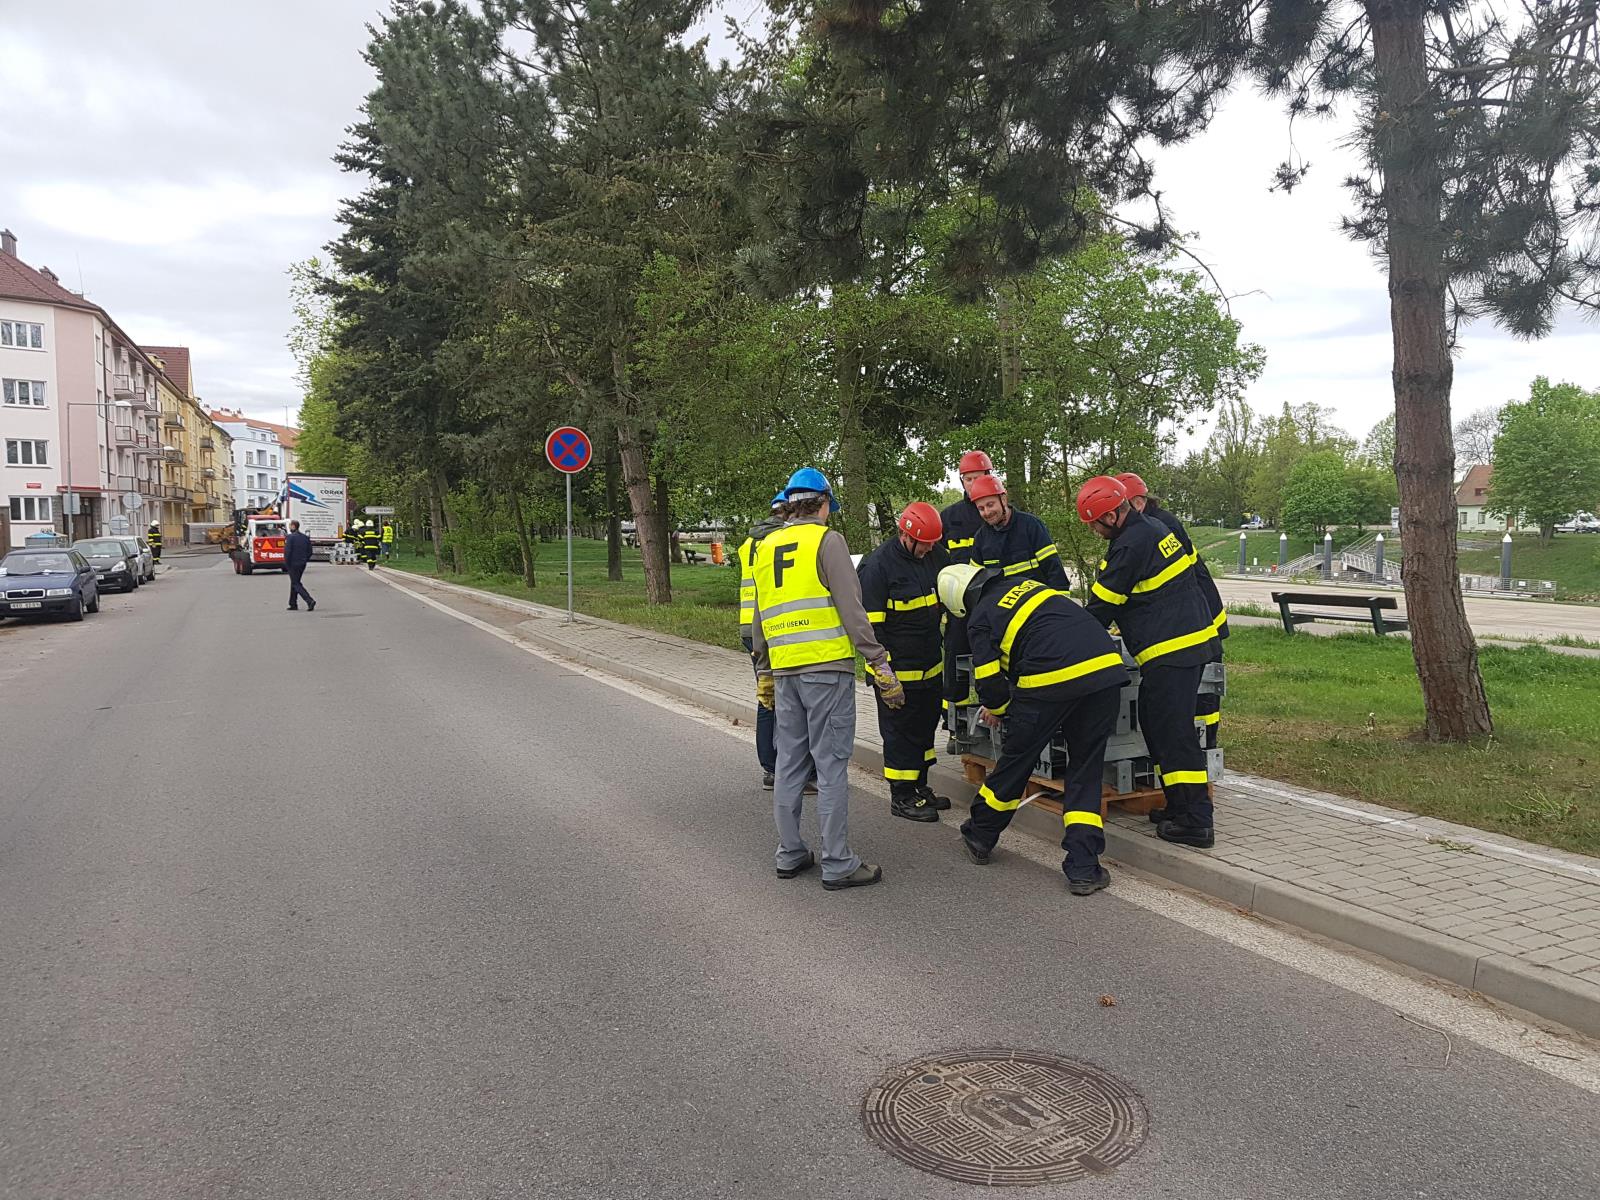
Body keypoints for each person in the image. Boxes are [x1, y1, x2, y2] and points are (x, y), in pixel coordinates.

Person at [936, 561, 1130, 893]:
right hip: (1105, 673)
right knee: (1085, 768)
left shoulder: (980, 618)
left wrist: (999, 708)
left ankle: (980, 835)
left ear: (958, 603)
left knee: (1017, 761)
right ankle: (1083, 868)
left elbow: (988, 680)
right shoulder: (1028, 586)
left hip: (1048, 683)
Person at [752, 467, 904, 891]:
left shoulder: (765, 547)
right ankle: (837, 863)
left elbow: (760, 616)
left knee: (789, 763)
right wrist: (880, 664)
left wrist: (763, 669)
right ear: (821, 505)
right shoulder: (827, 541)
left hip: (784, 671)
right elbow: (852, 610)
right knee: (832, 765)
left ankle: (790, 853)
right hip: (827, 668)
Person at [1079, 476, 1221, 849]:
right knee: (1159, 729)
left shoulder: (1130, 545)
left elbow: (1100, 607)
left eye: (1094, 523)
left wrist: (1067, 633)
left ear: (1111, 516)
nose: (1093, 531)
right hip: (1182, 647)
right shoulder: (1153, 528)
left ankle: (1196, 821)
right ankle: (1178, 806)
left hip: (1172, 651)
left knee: (1174, 735)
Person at [1116, 472, 1228, 760]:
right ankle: (1196, 756)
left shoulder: (1156, 526)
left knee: (1200, 699)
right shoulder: (1154, 523)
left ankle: (1205, 754)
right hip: (1198, 618)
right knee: (1188, 700)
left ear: (1138, 503)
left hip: (1197, 624)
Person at [857, 501, 949, 822]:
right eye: (924, 544)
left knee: (924, 731)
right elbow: (870, 630)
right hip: (897, 673)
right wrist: (885, 677)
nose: (929, 550)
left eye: (933, 544)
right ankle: (901, 795)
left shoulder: (936, 556)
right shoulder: (878, 567)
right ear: (904, 535)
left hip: (930, 667)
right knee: (899, 734)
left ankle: (920, 787)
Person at [738, 492, 788, 789]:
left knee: (766, 695)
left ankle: (770, 767)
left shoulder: (749, 541)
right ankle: (778, 767)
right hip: (772, 623)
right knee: (783, 700)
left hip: (749, 627)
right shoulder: (780, 541)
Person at [940, 450, 996, 701]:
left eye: (978, 477)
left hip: (995, 604)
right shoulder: (949, 518)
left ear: (989, 475)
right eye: (968, 479)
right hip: (958, 606)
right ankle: (954, 723)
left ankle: (999, 710)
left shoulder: (997, 514)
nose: (973, 484)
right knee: (955, 659)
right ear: (961, 480)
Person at [970, 474, 1069, 589]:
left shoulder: (1031, 526)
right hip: (1001, 606)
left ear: (1003, 499)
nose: (986, 512)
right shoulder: (980, 539)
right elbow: (976, 584)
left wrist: (1059, 605)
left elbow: (1055, 571)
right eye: (981, 509)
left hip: (1038, 603)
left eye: (990, 505)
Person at [285, 519, 316, 612]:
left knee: (296, 583)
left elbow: (288, 552)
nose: (289, 527)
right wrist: (305, 559)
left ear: (294, 526)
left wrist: (286, 563)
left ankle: (309, 600)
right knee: (295, 582)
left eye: (290, 526)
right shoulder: (305, 538)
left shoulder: (290, 537)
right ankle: (293, 603)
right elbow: (310, 551)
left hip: (293, 564)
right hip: (302, 563)